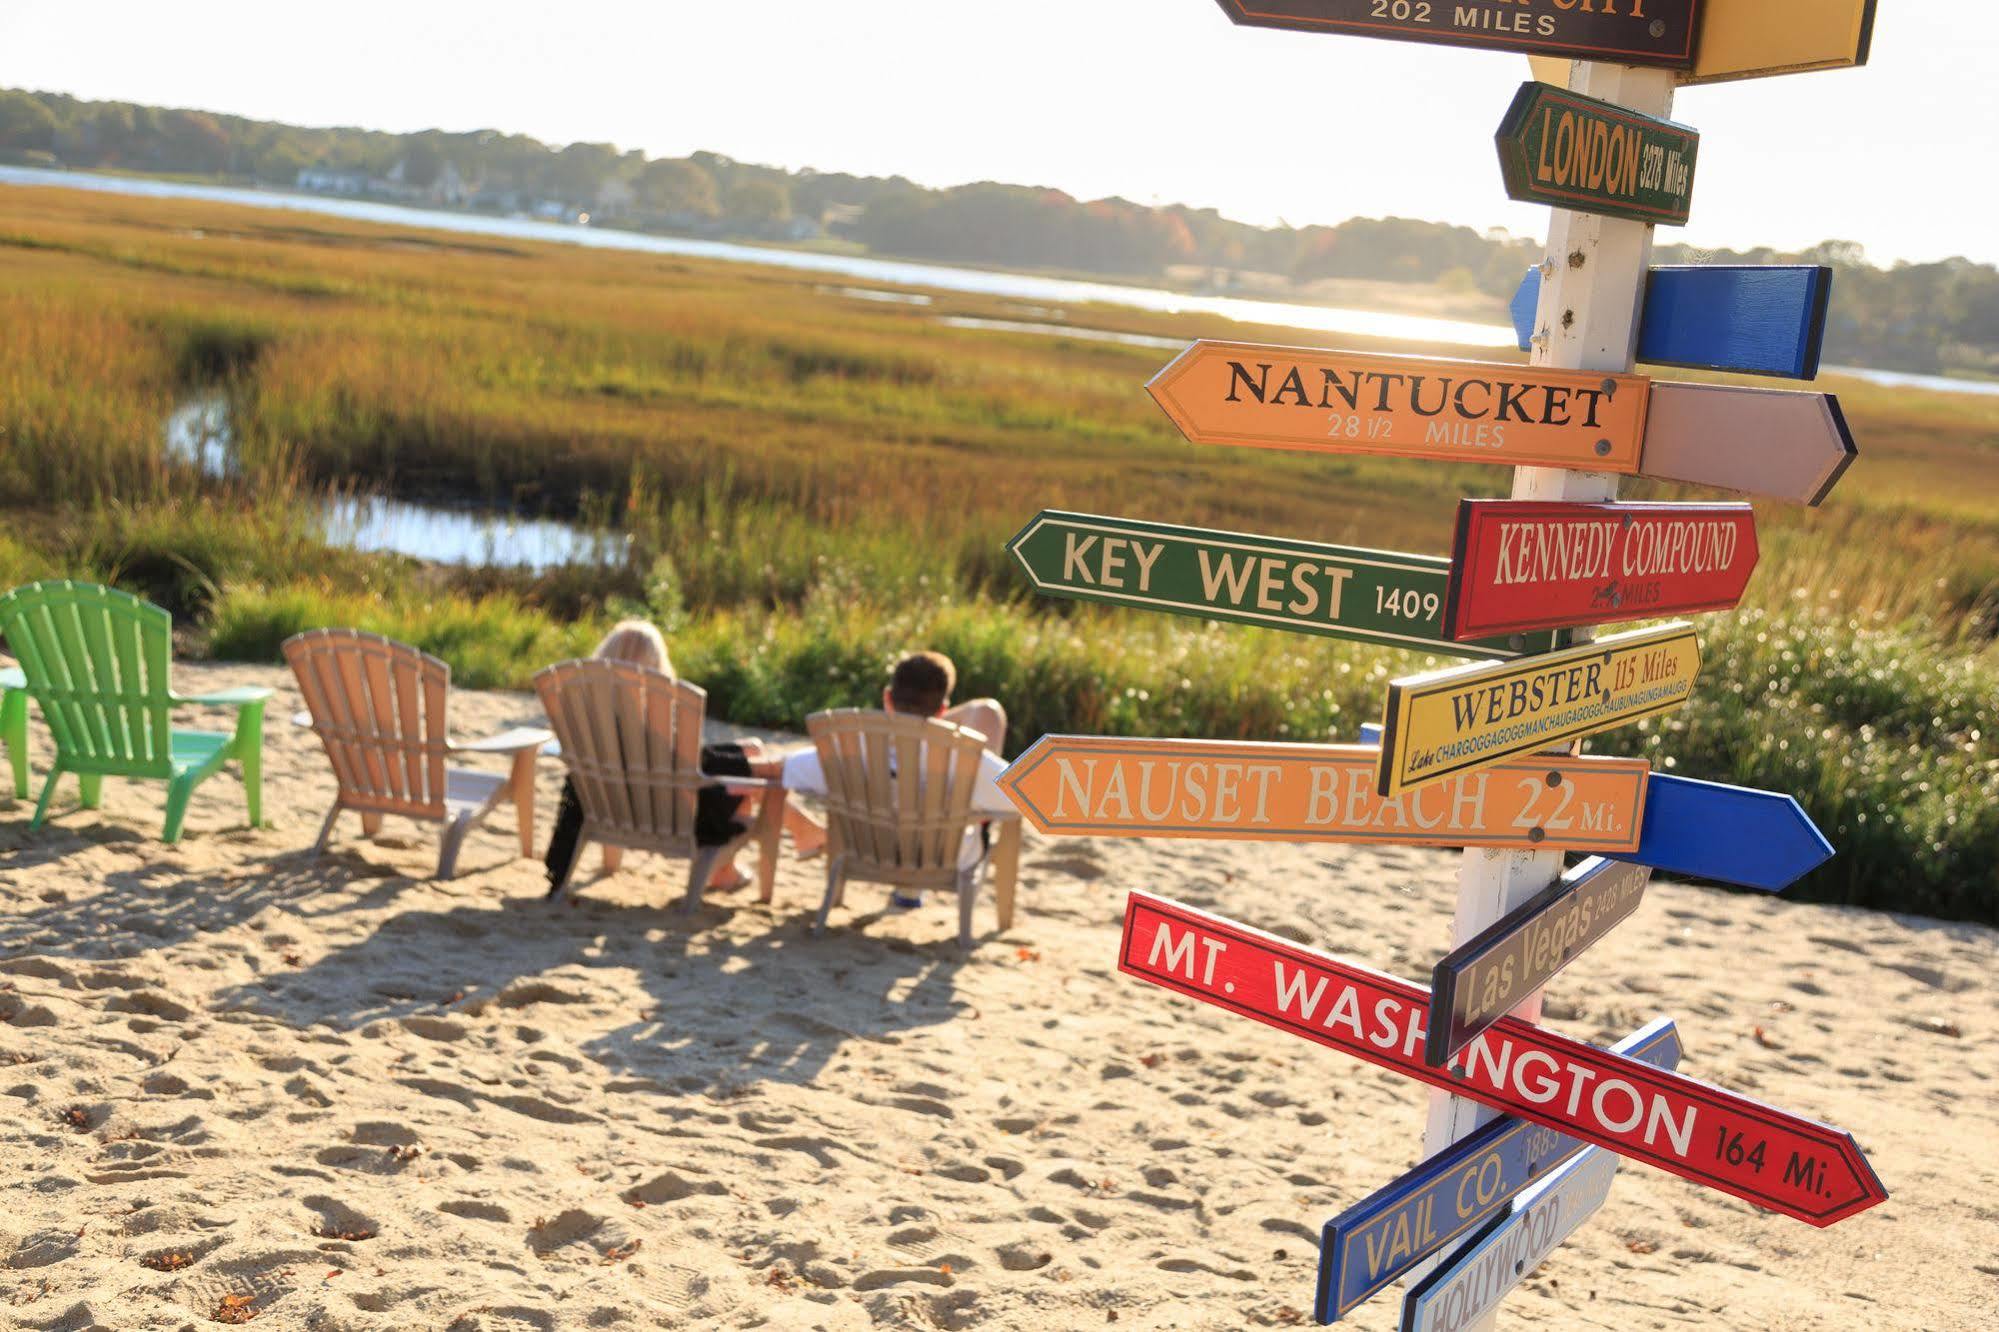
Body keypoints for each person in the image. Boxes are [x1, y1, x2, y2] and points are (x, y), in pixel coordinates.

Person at [543, 619, 824, 895]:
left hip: (615, 806)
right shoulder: (652, 712)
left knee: (748, 753)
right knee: (747, 775)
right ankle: (764, 850)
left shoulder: (585, 714)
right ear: (655, 665)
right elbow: (682, 768)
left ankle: (794, 834)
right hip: (673, 817)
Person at [777, 650, 1012, 908]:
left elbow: (774, 771)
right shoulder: (964, 761)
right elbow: (1022, 799)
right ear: (943, 709)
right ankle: (912, 889)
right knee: (986, 726)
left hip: (865, 850)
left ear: (887, 697)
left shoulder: (850, 751)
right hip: (942, 857)